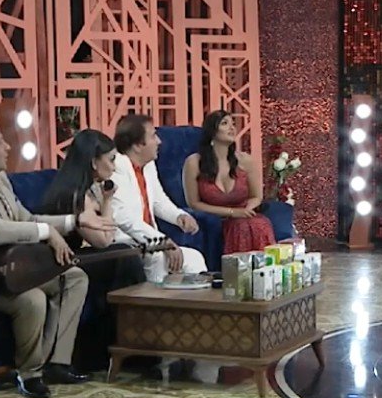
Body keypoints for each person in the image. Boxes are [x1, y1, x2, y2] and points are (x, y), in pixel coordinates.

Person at [0, 121, 113, 398]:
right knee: (33, 298)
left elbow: (26, 218)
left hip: (12, 265)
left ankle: (57, 362)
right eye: (0, 142)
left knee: (74, 277)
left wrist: (74, 221)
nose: (8, 147)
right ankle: (30, 374)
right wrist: (45, 232)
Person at [40, 129, 146, 371]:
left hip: (73, 257)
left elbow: (105, 236)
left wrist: (106, 200)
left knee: (125, 255)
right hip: (58, 261)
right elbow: (103, 240)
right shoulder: (77, 195)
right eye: (111, 160)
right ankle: (131, 346)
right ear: (93, 162)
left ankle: (129, 344)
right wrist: (106, 203)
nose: (114, 167)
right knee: (124, 258)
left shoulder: (88, 189)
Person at [111, 114, 207, 281]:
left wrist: (178, 216)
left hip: (150, 241)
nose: (159, 141)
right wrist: (162, 242)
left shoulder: (148, 164)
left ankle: (192, 298)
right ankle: (153, 298)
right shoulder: (116, 168)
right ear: (137, 145)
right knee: (157, 257)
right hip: (125, 240)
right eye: (153, 136)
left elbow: (158, 201)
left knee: (194, 258)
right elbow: (123, 219)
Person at [181, 110, 275, 255]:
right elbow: (193, 203)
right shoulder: (193, 163)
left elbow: (256, 196)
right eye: (225, 123)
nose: (232, 128)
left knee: (258, 224)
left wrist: (247, 210)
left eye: (233, 124)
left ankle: (265, 267)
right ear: (212, 131)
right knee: (240, 227)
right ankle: (238, 268)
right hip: (216, 219)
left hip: (244, 216)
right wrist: (232, 213)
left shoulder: (245, 161)